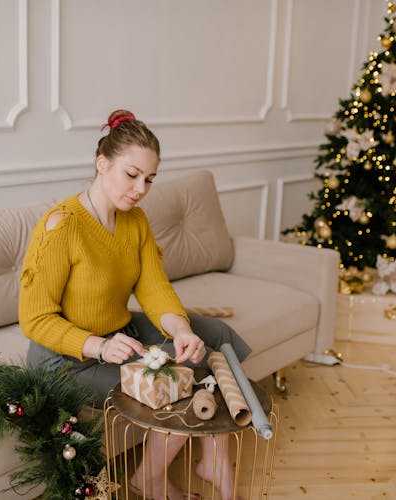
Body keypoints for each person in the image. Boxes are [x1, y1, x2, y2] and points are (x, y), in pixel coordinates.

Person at [18, 109, 251, 500]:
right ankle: (150, 480)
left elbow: (155, 288)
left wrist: (181, 331)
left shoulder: (134, 221)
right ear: (102, 163)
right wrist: (101, 347)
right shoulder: (61, 227)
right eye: (132, 175)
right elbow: (36, 319)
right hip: (67, 359)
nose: (140, 188)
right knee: (179, 383)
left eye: (149, 179)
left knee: (214, 335)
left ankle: (213, 458)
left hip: (118, 332)